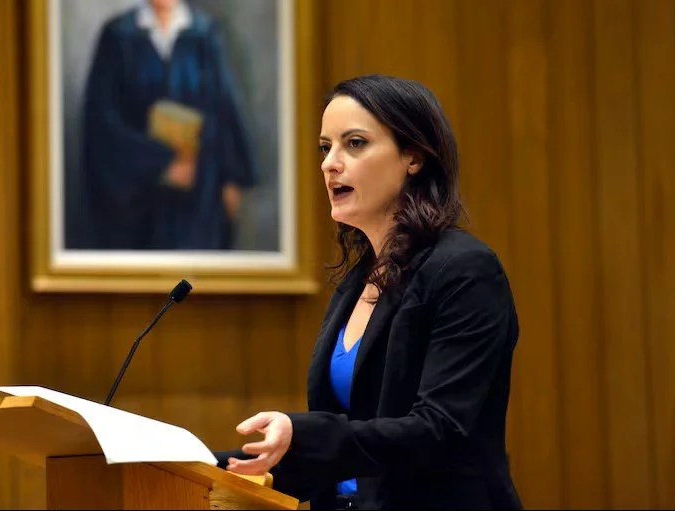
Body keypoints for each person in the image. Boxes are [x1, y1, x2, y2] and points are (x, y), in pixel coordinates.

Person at [215, 74, 523, 510]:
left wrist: (303, 433)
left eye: (354, 144)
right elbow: (353, 448)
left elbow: (441, 430)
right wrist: (199, 462)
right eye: (326, 147)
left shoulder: (465, 271)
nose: (329, 164)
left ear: (412, 157)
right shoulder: (357, 280)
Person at [80, 0, 257, 250]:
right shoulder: (118, 35)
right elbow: (103, 121)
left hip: (199, 188)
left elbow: (224, 108)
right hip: (137, 192)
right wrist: (161, 164)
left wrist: (230, 176)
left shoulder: (205, 33)